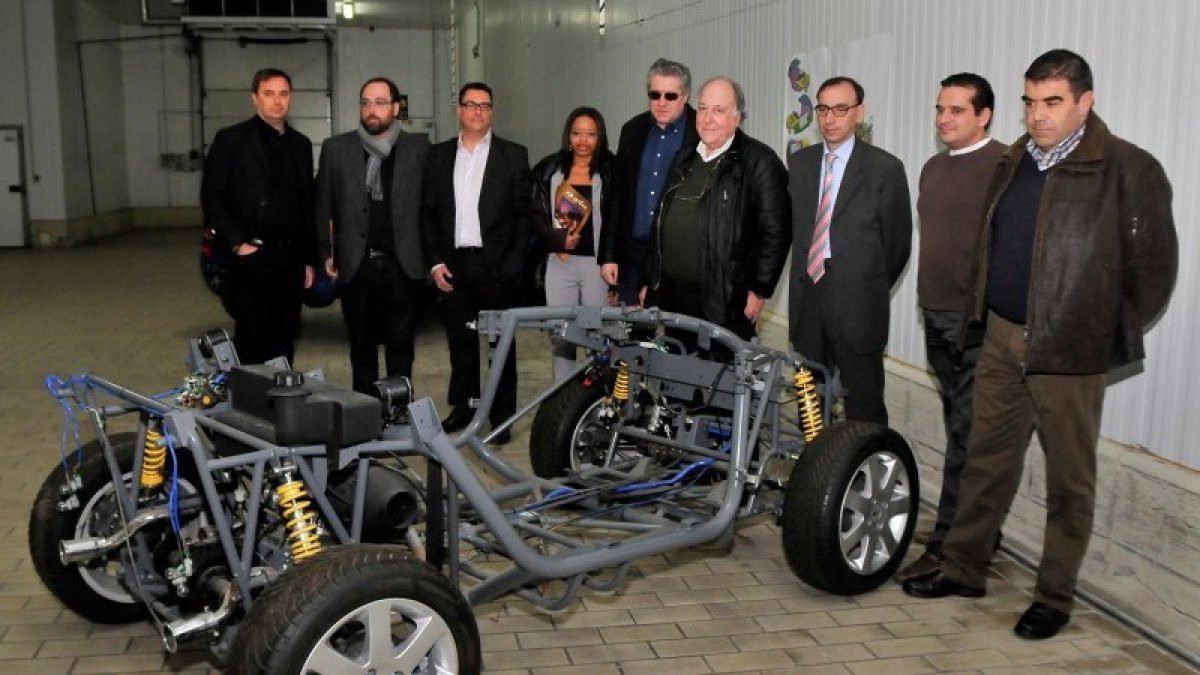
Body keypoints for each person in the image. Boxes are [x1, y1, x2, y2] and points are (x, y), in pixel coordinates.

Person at [902, 49, 1178, 641]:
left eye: (1052, 102)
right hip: (1000, 336)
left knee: (1068, 482)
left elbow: (1154, 273)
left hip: (1068, 352)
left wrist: (1096, 333)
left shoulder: (1127, 168)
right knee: (985, 461)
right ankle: (964, 567)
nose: (1038, 115)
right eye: (1030, 101)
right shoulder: (1015, 161)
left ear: (1085, 101)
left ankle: (1054, 596)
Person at [894, 73, 1006, 582]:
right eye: (940, 109)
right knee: (959, 425)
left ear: (984, 115)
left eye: (957, 110)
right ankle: (977, 531)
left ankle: (950, 546)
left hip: (977, 321)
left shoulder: (1005, 166)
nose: (944, 118)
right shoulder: (933, 168)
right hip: (934, 314)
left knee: (969, 434)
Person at [787, 76, 912, 426]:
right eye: (823, 109)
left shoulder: (885, 169)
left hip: (859, 306)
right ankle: (816, 471)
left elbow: (897, 246)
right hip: (808, 300)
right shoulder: (799, 165)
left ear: (859, 112)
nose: (830, 118)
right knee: (810, 405)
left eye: (841, 109)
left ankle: (869, 472)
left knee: (865, 406)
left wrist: (864, 284)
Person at [638, 76, 791, 342]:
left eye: (718, 111)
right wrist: (649, 280)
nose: (707, 118)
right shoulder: (683, 158)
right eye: (703, 108)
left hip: (725, 301)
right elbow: (660, 222)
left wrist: (759, 290)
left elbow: (776, 233)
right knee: (677, 374)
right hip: (673, 299)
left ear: (738, 118)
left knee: (720, 378)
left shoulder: (760, 163)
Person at [420, 82, 532, 443]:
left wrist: (513, 264)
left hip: (495, 266)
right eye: (471, 105)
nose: (478, 112)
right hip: (454, 266)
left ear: (491, 112)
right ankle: (466, 408)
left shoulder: (513, 155)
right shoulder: (437, 156)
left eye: (485, 106)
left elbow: (524, 217)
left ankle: (501, 419)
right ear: (459, 110)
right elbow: (428, 214)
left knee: (501, 345)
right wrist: (435, 262)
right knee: (461, 343)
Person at [314, 77, 431, 395]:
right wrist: (327, 252)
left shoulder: (419, 148)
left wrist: (432, 259)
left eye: (380, 102)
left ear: (396, 107)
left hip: (404, 266)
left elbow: (429, 208)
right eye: (366, 102)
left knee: (401, 348)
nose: (372, 110)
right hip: (356, 266)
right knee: (361, 350)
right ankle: (364, 415)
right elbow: (323, 204)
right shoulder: (336, 149)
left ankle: (399, 413)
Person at [201, 67, 316, 366]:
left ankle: (283, 406)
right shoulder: (231, 140)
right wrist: (238, 244)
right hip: (252, 257)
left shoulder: (301, 145)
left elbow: (306, 205)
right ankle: (251, 409)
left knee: (285, 337)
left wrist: (308, 259)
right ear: (255, 99)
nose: (277, 101)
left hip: (290, 260)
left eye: (283, 94)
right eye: (269, 94)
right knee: (253, 339)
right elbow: (211, 196)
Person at [531, 107, 620, 382]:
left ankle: (599, 397)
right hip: (560, 263)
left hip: (597, 266)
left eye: (590, 134)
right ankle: (562, 396)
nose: (583, 140)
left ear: (600, 137)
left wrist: (616, 273)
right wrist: (558, 240)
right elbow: (534, 217)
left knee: (599, 334)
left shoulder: (612, 170)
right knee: (562, 336)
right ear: (569, 136)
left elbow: (618, 220)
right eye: (577, 133)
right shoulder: (549, 169)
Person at [605, 58, 699, 306]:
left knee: (676, 336)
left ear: (686, 96)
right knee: (632, 338)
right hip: (632, 254)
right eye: (655, 94)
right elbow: (616, 197)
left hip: (677, 259)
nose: (662, 102)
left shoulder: (701, 133)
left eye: (670, 95)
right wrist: (609, 255)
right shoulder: (631, 131)